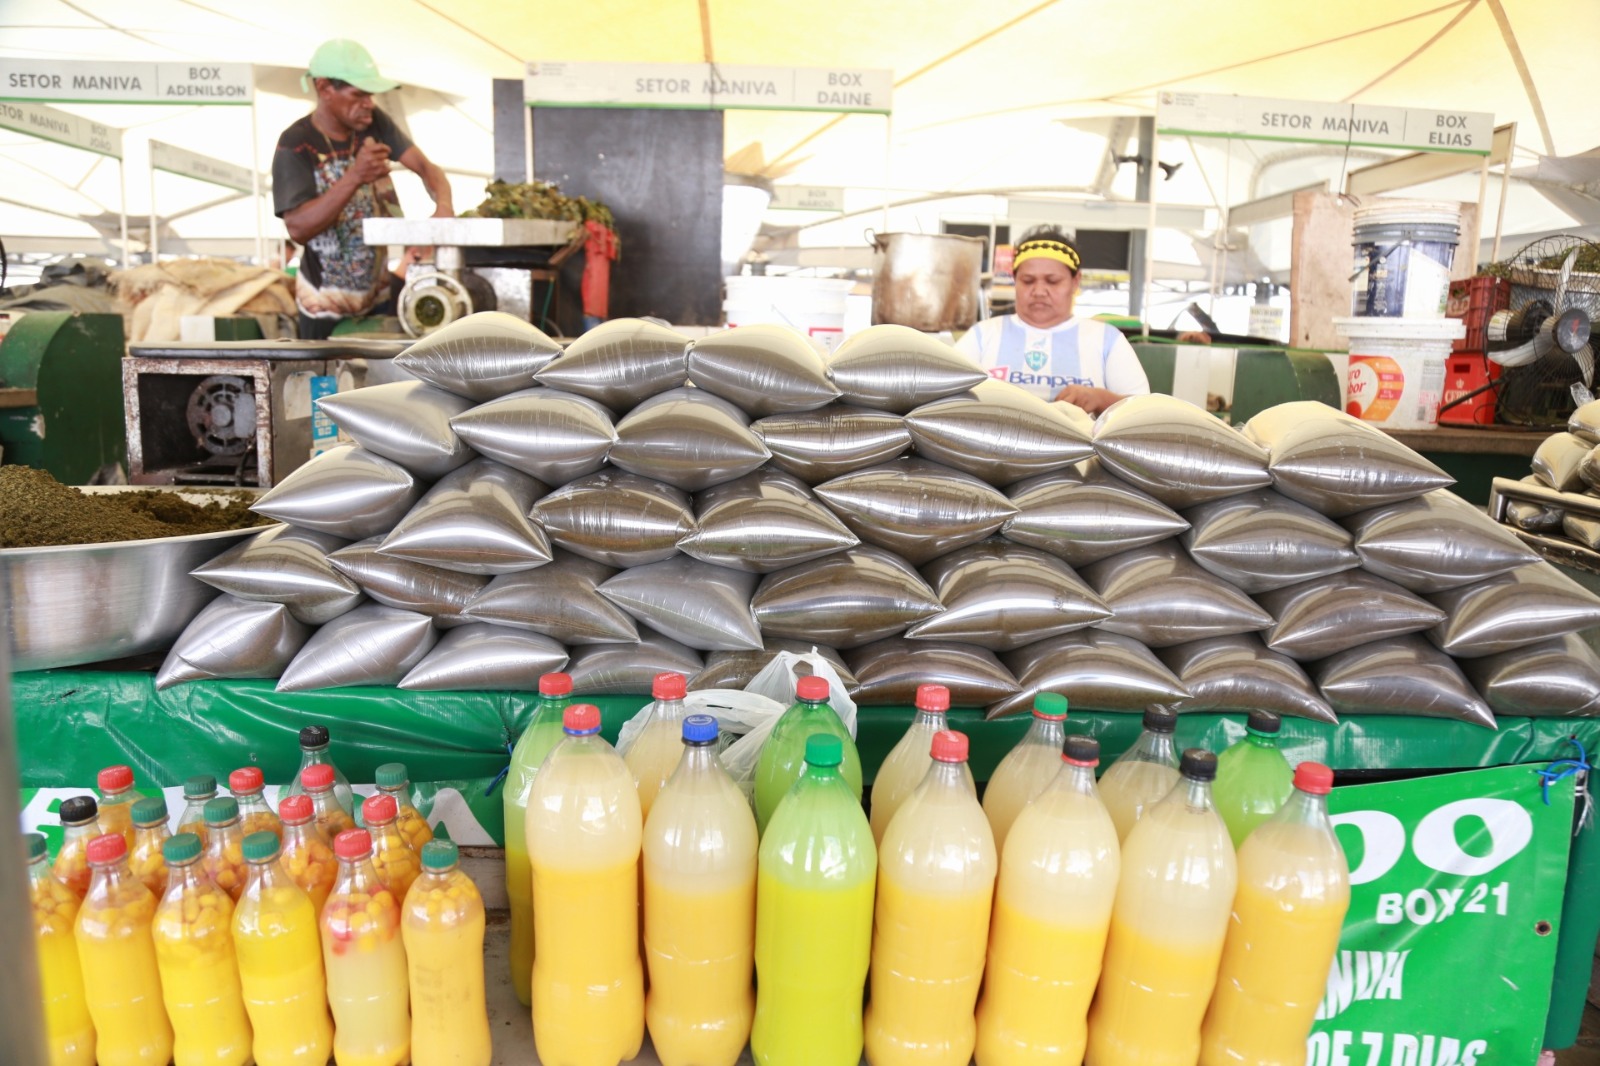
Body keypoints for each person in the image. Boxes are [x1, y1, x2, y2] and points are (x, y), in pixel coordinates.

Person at [272, 39, 453, 339]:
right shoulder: (295, 143)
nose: (368, 103)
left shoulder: (375, 123)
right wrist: (355, 176)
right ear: (324, 88)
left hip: (377, 298)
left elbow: (427, 168)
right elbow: (298, 228)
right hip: (323, 307)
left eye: (370, 94)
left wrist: (443, 207)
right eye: (358, 94)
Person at [955, 227, 1150, 414]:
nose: (1039, 291)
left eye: (1052, 281)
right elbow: (947, 394)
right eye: (1028, 281)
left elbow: (1143, 411)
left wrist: (1100, 399)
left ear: (1075, 281)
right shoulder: (983, 335)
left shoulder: (1107, 340)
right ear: (1015, 280)